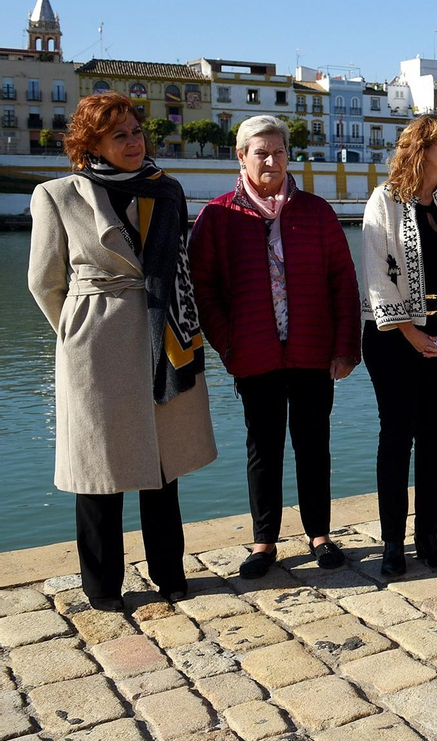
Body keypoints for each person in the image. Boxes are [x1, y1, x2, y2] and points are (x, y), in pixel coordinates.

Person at [28, 93, 217, 610]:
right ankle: (102, 586)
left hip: (165, 334)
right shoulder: (57, 194)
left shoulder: (167, 190)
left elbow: (182, 265)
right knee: (98, 470)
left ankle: (170, 574)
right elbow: (45, 283)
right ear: (91, 144)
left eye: (137, 132)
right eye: (120, 136)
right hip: (97, 342)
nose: (134, 142)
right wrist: (79, 331)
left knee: (162, 464)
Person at [190, 115, 361, 579]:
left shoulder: (316, 211)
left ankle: (320, 534)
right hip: (254, 353)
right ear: (241, 157)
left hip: (311, 350)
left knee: (314, 445)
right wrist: (228, 345)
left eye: (278, 151)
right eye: (260, 152)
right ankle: (264, 541)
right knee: (262, 448)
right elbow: (203, 288)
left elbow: (343, 282)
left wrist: (346, 346)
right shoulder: (219, 215)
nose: (271, 160)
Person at [361, 113, 437, 578]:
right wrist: (413, 333)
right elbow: (376, 274)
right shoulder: (386, 199)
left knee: (434, 434)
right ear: (421, 146)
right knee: (396, 435)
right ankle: (393, 540)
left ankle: (429, 535)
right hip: (394, 338)